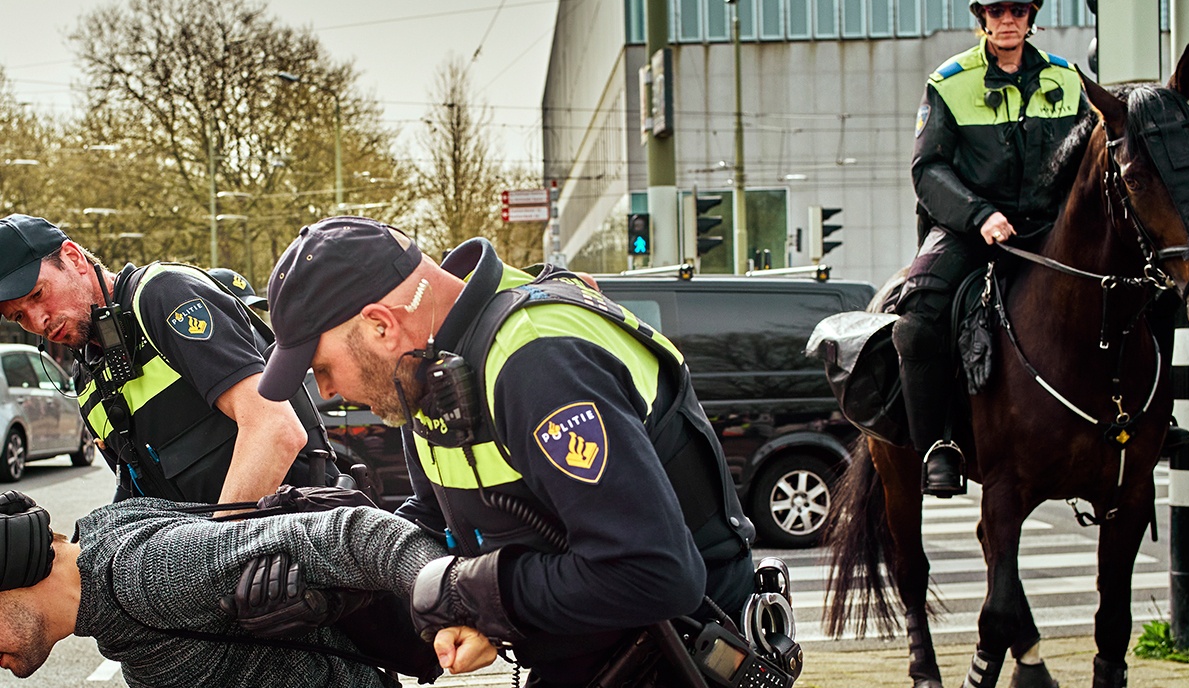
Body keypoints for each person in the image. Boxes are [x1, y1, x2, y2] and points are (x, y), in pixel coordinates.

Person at [256, 216, 757, 687]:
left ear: (381, 325)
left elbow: (655, 574)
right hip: (590, 658)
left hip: (678, 658)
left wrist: (470, 594)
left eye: (321, 366)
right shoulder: (432, 371)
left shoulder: (537, 360)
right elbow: (438, 527)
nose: (325, 390)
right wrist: (331, 575)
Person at [895, 0, 1092, 496]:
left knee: (1142, 286)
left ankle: (1149, 418)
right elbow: (927, 170)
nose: (1008, 19)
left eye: (1018, 10)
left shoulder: (1067, 80)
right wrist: (979, 214)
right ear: (980, 16)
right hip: (969, 229)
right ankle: (937, 445)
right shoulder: (948, 82)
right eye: (997, 10)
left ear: (1032, 16)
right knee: (915, 323)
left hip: (1049, 230)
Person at [0, 489, 495, 686]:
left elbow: (357, 534)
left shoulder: (148, 577)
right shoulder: (105, 537)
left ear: (12, 568)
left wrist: (450, 598)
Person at [0, 215, 334, 504]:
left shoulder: (164, 296)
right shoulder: (86, 384)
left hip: (293, 537)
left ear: (73, 258)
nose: (37, 321)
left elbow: (275, 429)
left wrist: (213, 552)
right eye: (18, 316)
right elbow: (136, 492)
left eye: (38, 294)